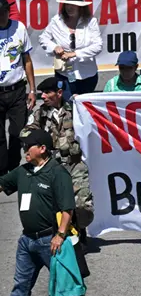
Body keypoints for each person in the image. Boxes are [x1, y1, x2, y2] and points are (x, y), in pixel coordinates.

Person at [0, 128, 77, 296]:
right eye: (23, 145)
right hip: (26, 240)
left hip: (49, 241)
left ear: (42, 149)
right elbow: (2, 184)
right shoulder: (23, 171)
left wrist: (60, 235)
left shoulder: (57, 172)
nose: (24, 149)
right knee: (20, 287)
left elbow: (67, 208)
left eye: (28, 146)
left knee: (63, 289)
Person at [23, 77, 94, 232]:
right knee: (55, 205)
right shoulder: (40, 114)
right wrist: (37, 137)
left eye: (47, 93)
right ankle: (64, 234)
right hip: (53, 167)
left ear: (59, 93)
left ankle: (79, 228)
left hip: (75, 164)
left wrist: (81, 101)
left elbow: (94, 124)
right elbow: (25, 132)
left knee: (83, 205)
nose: (43, 96)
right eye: (42, 93)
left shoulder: (75, 109)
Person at [39, 0, 102, 100]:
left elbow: (98, 46)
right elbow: (43, 38)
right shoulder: (57, 20)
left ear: (81, 7)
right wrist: (54, 47)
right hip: (64, 74)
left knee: (84, 106)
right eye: (67, 4)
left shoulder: (91, 22)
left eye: (74, 5)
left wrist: (75, 54)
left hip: (86, 74)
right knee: (68, 104)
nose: (70, 7)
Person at [0, 0, 34, 176]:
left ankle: (13, 169)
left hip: (17, 89)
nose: (1, 16)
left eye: (4, 12)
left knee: (17, 132)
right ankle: (2, 172)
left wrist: (33, 90)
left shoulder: (19, 28)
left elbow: (27, 60)